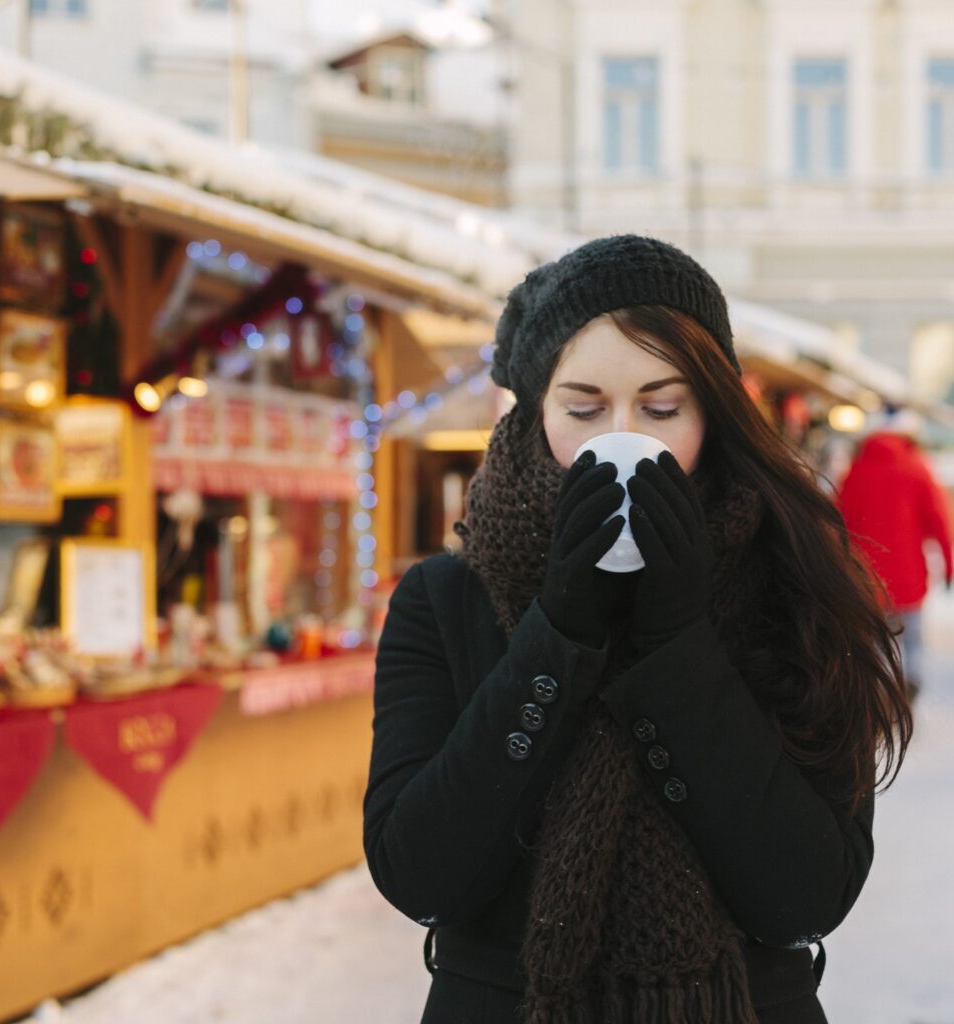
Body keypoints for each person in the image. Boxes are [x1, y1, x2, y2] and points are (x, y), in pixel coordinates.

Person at [364, 235, 912, 1024]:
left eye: (661, 409)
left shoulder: (796, 585)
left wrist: (677, 646)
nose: (621, 438)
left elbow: (807, 895)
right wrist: (557, 634)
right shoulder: (445, 599)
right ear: (535, 414)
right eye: (583, 409)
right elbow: (419, 874)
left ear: (714, 417)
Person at [838, 408, 953, 700]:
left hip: (866, 577)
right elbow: (940, 520)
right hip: (909, 575)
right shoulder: (918, 467)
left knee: (875, 639)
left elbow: (838, 521)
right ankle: (909, 680)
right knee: (911, 638)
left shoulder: (856, 470)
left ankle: (880, 689)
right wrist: (950, 564)